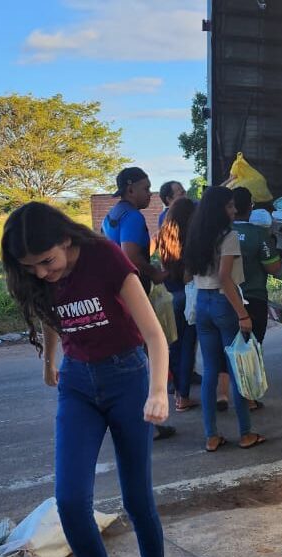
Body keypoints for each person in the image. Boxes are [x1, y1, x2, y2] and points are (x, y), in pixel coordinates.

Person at [1, 202, 171, 557]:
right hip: (78, 383)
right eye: (30, 267)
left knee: (138, 499)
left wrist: (158, 391)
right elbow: (50, 313)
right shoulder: (41, 280)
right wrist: (49, 360)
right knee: (71, 501)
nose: (41, 273)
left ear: (67, 241)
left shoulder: (105, 258)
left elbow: (154, 333)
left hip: (128, 378)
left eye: (47, 262)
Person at [183, 186, 267, 452]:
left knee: (209, 370)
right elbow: (224, 278)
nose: (233, 210)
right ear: (220, 209)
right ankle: (245, 433)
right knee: (236, 368)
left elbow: (190, 274)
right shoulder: (227, 236)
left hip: (202, 302)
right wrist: (243, 314)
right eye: (230, 206)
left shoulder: (195, 234)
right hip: (224, 303)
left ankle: (212, 435)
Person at [102, 166, 175, 441]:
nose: (149, 193)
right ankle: (147, 420)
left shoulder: (113, 215)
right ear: (130, 188)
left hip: (114, 295)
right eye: (146, 188)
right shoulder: (132, 216)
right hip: (132, 293)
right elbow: (130, 255)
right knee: (142, 353)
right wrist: (154, 272)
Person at [231, 187, 281, 411]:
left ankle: (225, 395)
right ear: (250, 207)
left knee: (228, 348)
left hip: (225, 298)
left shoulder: (220, 232)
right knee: (251, 349)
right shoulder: (258, 234)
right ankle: (248, 398)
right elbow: (274, 267)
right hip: (253, 298)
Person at [157, 197, 199, 412]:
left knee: (174, 345)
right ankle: (182, 396)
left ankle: (173, 387)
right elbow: (189, 276)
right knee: (187, 346)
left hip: (169, 295)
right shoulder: (191, 237)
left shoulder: (165, 235)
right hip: (187, 296)